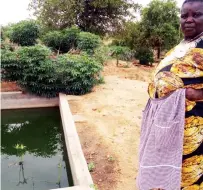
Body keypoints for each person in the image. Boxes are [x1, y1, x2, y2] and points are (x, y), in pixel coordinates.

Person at [137, 0, 203, 189]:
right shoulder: (181, 46)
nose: (188, 20)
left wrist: (197, 93)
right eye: (184, 16)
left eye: (196, 15)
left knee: (188, 169)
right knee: (167, 167)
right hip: (166, 119)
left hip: (192, 122)